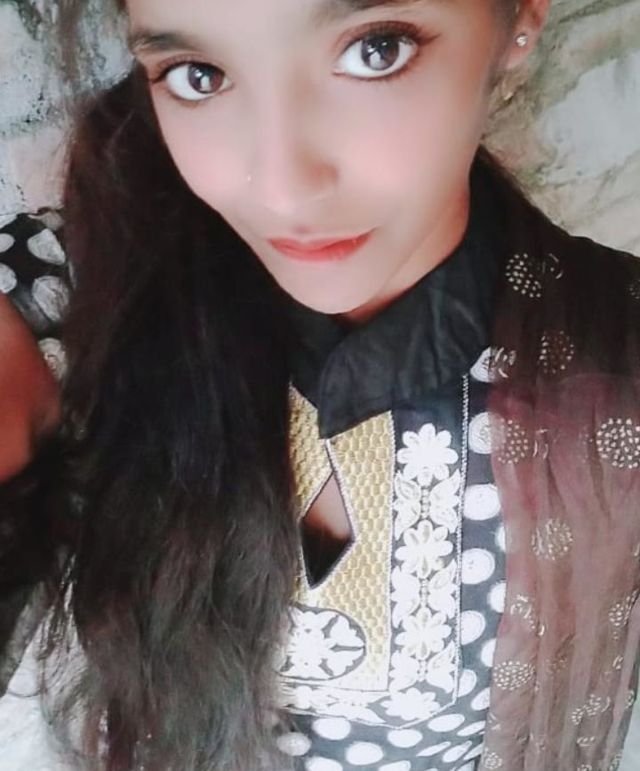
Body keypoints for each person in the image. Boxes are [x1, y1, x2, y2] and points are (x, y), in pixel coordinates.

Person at [1, 0, 640, 770]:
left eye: (376, 50)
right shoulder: (85, 288)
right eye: (198, 75)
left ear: (521, 18)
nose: (282, 190)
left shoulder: (616, 358)